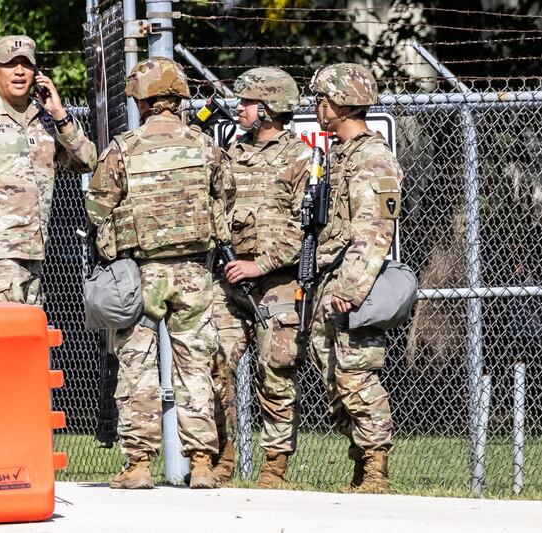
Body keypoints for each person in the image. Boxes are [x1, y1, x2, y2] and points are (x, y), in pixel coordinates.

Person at [84, 57, 234, 490]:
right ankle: (202, 462)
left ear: (143, 100)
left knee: (137, 367)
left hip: (140, 274)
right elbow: (225, 194)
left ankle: (138, 465)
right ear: (177, 97)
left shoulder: (123, 149)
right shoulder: (204, 146)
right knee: (196, 365)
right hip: (193, 272)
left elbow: (97, 209)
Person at [0, 35, 97, 303]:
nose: (20, 71)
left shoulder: (45, 118)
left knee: (28, 343)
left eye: (26, 64)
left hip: (34, 258)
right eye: (11, 64)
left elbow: (86, 161)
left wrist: (61, 116)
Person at [210, 67, 308, 488]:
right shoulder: (231, 153)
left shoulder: (301, 158)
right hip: (230, 279)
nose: (239, 107)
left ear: (267, 109)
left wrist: (261, 264)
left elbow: (308, 229)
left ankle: (274, 468)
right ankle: (223, 459)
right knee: (215, 365)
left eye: (247, 102)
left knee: (275, 371)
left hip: (278, 282)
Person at [307, 63, 403, 493]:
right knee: (332, 374)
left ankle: (376, 467)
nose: (317, 108)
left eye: (322, 101)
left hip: (351, 281)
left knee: (355, 372)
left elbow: (374, 231)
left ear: (340, 105)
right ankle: (361, 464)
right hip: (329, 277)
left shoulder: (373, 159)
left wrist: (351, 288)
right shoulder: (340, 154)